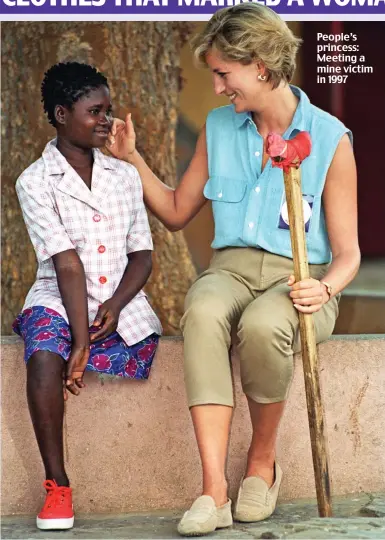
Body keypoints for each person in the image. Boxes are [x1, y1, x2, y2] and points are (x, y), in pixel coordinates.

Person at [108, 4, 360, 536]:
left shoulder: (331, 138)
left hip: (301, 275)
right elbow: (178, 212)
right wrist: (132, 159)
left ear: (261, 67)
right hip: (231, 268)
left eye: (224, 73)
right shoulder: (220, 128)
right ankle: (213, 490)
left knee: (267, 324)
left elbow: (349, 254)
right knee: (202, 309)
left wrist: (325, 288)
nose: (219, 87)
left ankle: (261, 468)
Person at [13, 62, 162, 531]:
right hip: (59, 296)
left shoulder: (125, 177)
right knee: (42, 355)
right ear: (61, 114)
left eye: (108, 110)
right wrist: (79, 342)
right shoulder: (34, 182)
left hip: (119, 298)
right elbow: (67, 264)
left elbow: (142, 256)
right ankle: (57, 485)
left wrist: (116, 306)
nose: (107, 121)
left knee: (122, 339)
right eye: (94, 111)